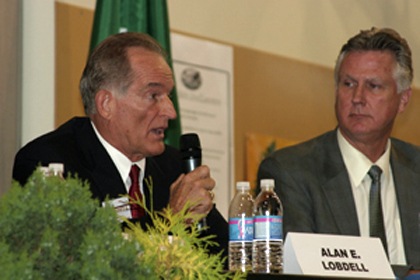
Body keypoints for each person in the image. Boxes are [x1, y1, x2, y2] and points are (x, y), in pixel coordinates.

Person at [13, 32, 228, 259]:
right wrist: (171, 220)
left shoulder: (175, 167)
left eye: (169, 95)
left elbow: (228, 259)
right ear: (106, 104)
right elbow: (78, 262)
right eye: (153, 95)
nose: (171, 112)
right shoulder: (49, 163)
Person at [258, 27, 420, 272]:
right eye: (348, 83)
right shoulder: (290, 172)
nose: (357, 97)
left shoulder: (416, 169)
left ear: (403, 99)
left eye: (373, 86)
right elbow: (300, 272)